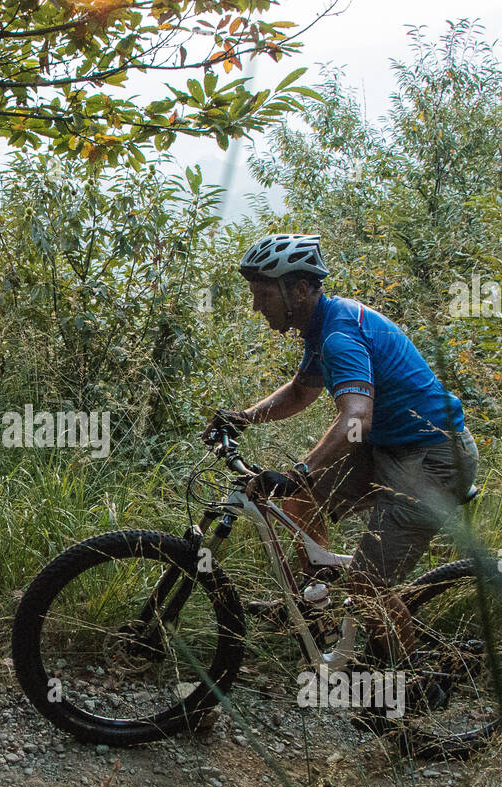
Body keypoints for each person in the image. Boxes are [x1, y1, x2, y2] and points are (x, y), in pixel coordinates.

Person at [205, 234, 479, 669]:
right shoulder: (323, 325)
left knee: (368, 586)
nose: (257, 307)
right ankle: (317, 606)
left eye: (262, 295)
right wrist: (243, 417)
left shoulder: (338, 337)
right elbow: (301, 391)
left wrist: (302, 468)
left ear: (298, 290)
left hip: (434, 457)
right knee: (299, 501)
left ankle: (411, 686)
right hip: (390, 447)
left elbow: (357, 420)